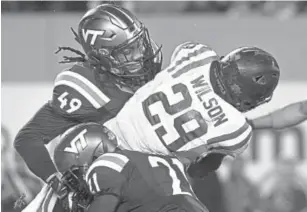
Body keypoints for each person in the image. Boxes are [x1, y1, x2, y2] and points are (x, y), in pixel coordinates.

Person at [14, 2, 162, 199]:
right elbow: (28, 139)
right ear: (103, 55)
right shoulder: (86, 89)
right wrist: (60, 185)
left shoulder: (152, 79)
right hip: (110, 191)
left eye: (139, 45)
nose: (141, 55)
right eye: (128, 51)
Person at [103, 42, 280, 178]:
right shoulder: (237, 129)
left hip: (104, 135)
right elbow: (198, 171)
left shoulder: (198, 55)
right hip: (131, 171)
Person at [24, 123, 209, 212]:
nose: (78, 184)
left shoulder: (105, 164)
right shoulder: (151, 161)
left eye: (76, 174)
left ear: (90, 154)